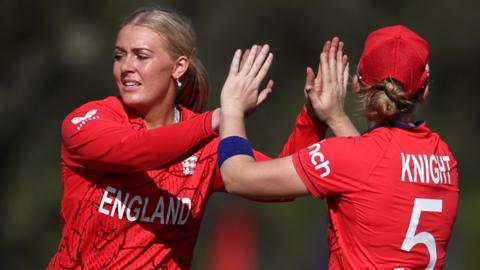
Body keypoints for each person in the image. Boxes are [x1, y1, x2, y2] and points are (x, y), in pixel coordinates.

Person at [47, 6, 326, 270]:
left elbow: (282, 183)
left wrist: (312, 117)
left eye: (141, 56)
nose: (125, 67)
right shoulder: (87, 120)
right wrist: (222, 116)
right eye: (119, 55)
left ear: (179, 67)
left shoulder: (204, 144)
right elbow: (138, 150)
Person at [218, 25, 459, 269]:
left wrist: (232, 109)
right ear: (425, 91)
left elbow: (237, 177)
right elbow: (372, 180)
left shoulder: (354, 159)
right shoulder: (444, 158)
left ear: (356, 84)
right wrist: (335, 118)